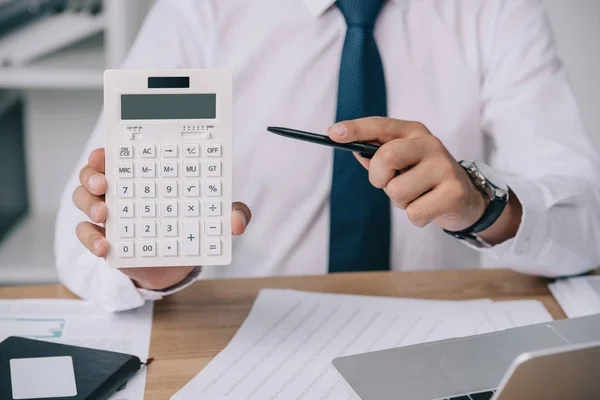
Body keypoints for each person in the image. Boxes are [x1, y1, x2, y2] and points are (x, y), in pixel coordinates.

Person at [56, 0, 600, 312]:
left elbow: (588, 231)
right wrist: (152, 270)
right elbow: (78, 241)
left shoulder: (496, 9)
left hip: (427, 332)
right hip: (251, 342)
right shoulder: (200, 10)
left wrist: (485, 206)